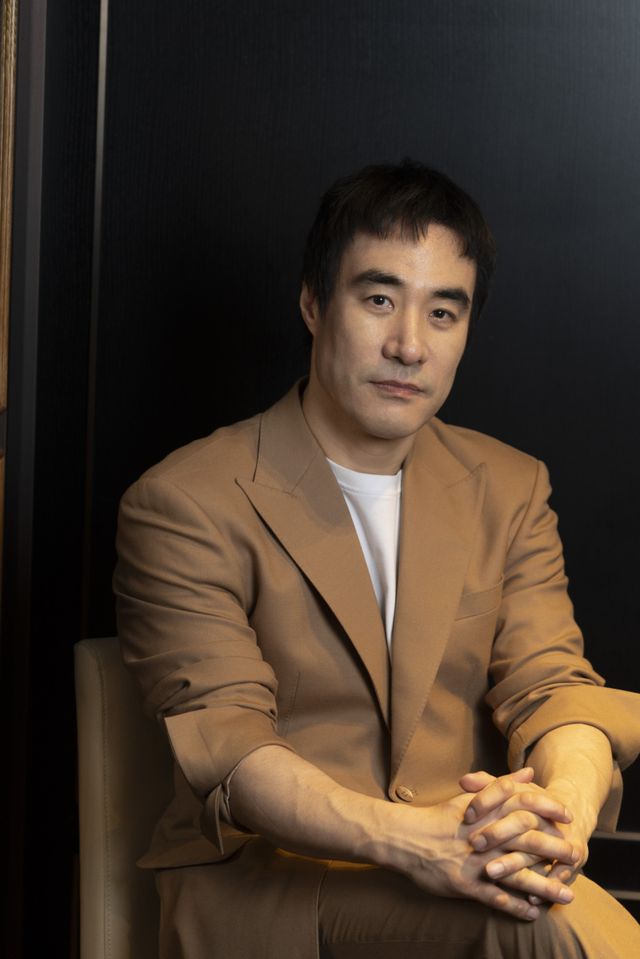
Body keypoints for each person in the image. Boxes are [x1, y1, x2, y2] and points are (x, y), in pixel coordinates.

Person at [114, 161, 640, 958]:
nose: (409, 345)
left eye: (443, 312)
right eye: (380, 300)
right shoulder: (185, 500)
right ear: (314, 303)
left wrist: (561, 810)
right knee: (549, 927)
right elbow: (230, 746)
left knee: (548, 908)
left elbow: (553, 687)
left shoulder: (509, 485)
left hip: (467, 859)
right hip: (275, 886)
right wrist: (414, 840)